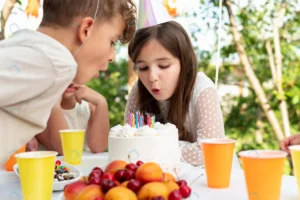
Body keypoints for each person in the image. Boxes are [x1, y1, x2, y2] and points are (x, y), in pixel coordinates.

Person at [0, 0, 136, 165]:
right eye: (112, 42)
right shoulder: (58, 63)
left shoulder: (21, 45)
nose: (112, 56)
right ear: (86, 29)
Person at [125, 21, 240, 167]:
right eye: (143, 67)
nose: (152, 76)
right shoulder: (139, 90)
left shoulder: (201, 88)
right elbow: (128, 141)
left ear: (184, 63)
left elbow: (210, 151)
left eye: (163, 65)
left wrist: (152, 148)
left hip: (214, 178)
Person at [35, 83, 109, 154]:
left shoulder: (91, 109)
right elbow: (64, 150)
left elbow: (98, 148)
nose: (68, 79)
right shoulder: (40, 113)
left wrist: (101, 102)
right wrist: (55, 106)